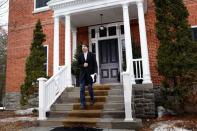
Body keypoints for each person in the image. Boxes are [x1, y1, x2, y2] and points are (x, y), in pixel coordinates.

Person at [78, 44, 98, 109]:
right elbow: (78, 65)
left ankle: (92, 98)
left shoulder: (92, 55)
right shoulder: (80, 55)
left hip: (90, 74)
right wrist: (83, 65)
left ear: (87, 47)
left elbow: (95, 64)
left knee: (90, 88)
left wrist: (95, 72)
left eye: (84, 46)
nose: (83, 48)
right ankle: (82, 103)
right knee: (81, 88)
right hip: (82, 75)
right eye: (82, 47)